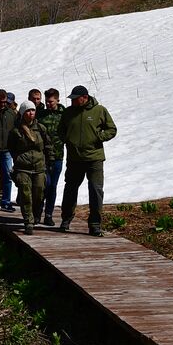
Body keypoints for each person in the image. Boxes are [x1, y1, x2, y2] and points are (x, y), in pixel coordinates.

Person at [58, 85, 117, 236]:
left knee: (96, 191)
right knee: (70, 189)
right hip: (74, 159)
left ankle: (95, 224)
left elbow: (112, 129)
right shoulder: (68, 112)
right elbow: (60, 130)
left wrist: (99, 137)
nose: (72, 102)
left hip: (94, 159)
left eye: (75, 99)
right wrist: (67, 140)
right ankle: (65, 220)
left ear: (84, 97)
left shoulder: (99, 110)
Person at [8, 102, 49, 234]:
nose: (31, 113)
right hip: (23, 168)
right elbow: (11, 147)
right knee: (26, 194)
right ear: (22, 113)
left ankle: (36, 214)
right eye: (28, 111)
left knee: (38, 193)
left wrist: (50, 160)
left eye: (33, 110)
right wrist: (18, 159)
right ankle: (28, 221)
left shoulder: (41, 128)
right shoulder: (16, 130)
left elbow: (48, 145)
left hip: (39, 167)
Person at [37, 88, 65, 226]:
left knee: (53, 186)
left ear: (57, 100)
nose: (48, 104)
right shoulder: (41, 115)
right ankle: (37, 213)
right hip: (43, 157)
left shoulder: (64, 114)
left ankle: (48, 215)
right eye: (47, 101)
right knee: (43, 185)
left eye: (51, 102)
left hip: (58, 156)